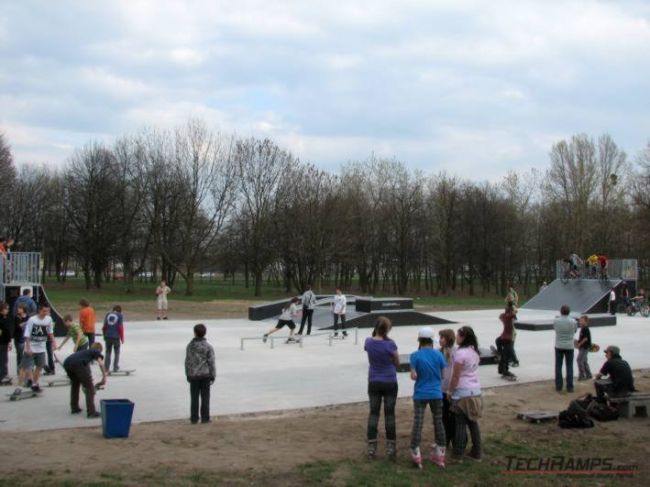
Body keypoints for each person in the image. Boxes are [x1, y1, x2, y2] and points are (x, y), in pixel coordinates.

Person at [409, 327, 448, 468]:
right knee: (438, 421)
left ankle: (415, 450)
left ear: (419, 340)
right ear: (432, 340)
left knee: (418, 422)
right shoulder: (439, 355)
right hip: (436, 394)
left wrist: (418, 375)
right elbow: (444, 375)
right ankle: (441, 451)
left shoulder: (414, 355)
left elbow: (413, 376)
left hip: (420, 394)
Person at [364, 316, 399, 460]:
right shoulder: (391, 344)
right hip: (390, 380)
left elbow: (370, 353)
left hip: (374, 380)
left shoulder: (368, 342)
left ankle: (371, 447)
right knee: (389, 414)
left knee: (374, 413)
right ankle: (391, 447)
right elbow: (397, 362)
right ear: (388, 329)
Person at [447, 326, 482, 461]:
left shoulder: (460, 354)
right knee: (473, 422)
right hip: (475, 391)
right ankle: (477, 452)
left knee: (460, 423)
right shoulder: (474, 352)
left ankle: (458, 452)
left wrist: (450, 391)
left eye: (458, 335)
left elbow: (456, 376)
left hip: (462, 393)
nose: (456, 338)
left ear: (463, 337)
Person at [63, 342, 107, 418]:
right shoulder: (96, 351)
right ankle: (91, 412)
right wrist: (104, 376)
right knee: (90, 388)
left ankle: (74, 408)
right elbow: (100, 363)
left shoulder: (85, 353)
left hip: (67, 363)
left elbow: (86, 370)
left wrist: (87, 379)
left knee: (75, 384)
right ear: (99, 349)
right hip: (77, 364)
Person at [184, 323, 216, 424]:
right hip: (205, 375)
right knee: (205, 397)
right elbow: (211, 362)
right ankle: (205, 418)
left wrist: (187, 374)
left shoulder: (190, 346)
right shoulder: (208, 347)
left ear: (195, 333)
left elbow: (187, 361)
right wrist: (213, 375)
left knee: (194, 398)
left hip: (194, 376)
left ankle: (194, 418)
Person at [21, 303, 56, 393]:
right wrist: (28, 347)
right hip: (31, 346)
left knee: (40, 366)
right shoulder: (32, 320)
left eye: (47, 311)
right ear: (39, 310)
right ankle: (30, 381)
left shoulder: (49, 319)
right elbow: (27, 334)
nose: (46, 313)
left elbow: (50, 331)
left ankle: (34, 383)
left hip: (41, 347)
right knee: (29, 365)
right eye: (44, 311)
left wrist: (53, 342)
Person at [439, 329, 456, 450]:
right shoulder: (439, 352)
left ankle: (455, 438)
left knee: (453, 415)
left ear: (449, 339)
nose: (440, 340)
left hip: (452, 389)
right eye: (440, 337)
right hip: (442, 388)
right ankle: (445, 439)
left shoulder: (455, 352)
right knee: (443, 415)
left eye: (442, 337)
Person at [554, 304, 577, 393]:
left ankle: (559, 386)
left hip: (559, 345)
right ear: (569, 312)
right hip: (569, 346)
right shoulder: (573, 321)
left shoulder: (556, 321)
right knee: (569, 366)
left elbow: (555, 329)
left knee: (558, 366)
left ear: (561, 311)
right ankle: (570, 386)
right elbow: (575, 331)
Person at [497, 302, 517, 381]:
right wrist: (513, 307)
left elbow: (500, 316)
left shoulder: (504, 316)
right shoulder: (509, 317)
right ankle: (505, 370)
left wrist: (508, 309)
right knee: (506, 355)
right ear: (510, 311)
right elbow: (515, 312)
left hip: (502, 337)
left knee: (504, 355)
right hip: (508, 338)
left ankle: (501, 369)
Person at [102, 305, 124, 372]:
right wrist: (122, 338)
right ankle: (115, 367)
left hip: (107, 336)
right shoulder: (120, 315)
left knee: (108, 352)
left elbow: (104, 327)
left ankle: (106, 368)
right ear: (120, 310)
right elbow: (120, 328)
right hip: (116, 336)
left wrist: (104, 335)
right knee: (117, 352)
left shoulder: (108, 314)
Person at [575, 315, 592, 381]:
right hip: (583, 347)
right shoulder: (583, 328)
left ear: (586, 322)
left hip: (584, 347)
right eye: (579, 321)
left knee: (579, 360)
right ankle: (589, 374)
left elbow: (585, 339)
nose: (580, 322)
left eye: (582, 321)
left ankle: (582, 375)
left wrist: (579, 344)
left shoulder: (585, 328)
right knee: (584, 361)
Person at [13, 303, 28, 373]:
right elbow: (19, 326)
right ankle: (19, 369)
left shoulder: (27, 316)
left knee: (27, 355)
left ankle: (26, 368)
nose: (18, 310)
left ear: (23, 309)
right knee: (19, 355)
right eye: (18, 308)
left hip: (26, 338)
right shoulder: (16, 317)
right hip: (19, 338)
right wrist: (26, 322)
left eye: (20, 308)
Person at [0, 302, 13, 383]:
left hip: (3, 341)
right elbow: (6, 332)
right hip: (2, 342)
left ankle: (4, 374)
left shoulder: (5, 318)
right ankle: (2, 376)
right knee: (3, 359)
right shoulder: (3, 319)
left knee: (3, 359)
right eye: (6, 309)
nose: (8, 310)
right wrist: (9, 341)